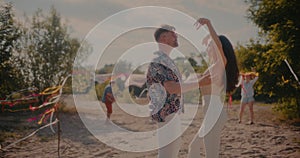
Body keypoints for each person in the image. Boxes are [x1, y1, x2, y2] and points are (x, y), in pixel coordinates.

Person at [147, 25, 209, 158]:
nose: (176, 36)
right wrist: (200, 83)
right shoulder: (159, 61)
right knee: (167, 154)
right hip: (166, 113)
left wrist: (198, 78)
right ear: (163, 38)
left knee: (170, 153)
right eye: (173, 34)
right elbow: (172, 88)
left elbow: (174, 86)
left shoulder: (167, 61)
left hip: (171, 112)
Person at [188, 18, 239, 158]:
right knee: (193, 146)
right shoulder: (213, 68)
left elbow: (218, 46)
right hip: (212, 114)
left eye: (210, 45)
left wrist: (209, 25)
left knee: (211, 154)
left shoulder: (219, 65)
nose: (208, 47)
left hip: (214, 115)